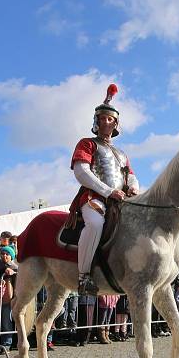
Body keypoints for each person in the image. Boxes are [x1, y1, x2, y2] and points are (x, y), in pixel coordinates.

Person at [68, 83, 139, 295]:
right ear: (96, 122)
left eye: (109, 119)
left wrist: (133, 188)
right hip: (93, 197)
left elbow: (131, 175)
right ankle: (84, 277)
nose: (105, 122)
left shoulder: (121, 153)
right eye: (102, 118)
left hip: (120, 200)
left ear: (116, 124)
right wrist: (108, 191)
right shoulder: (87, 143)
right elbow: (81, 172)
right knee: (95, 224)